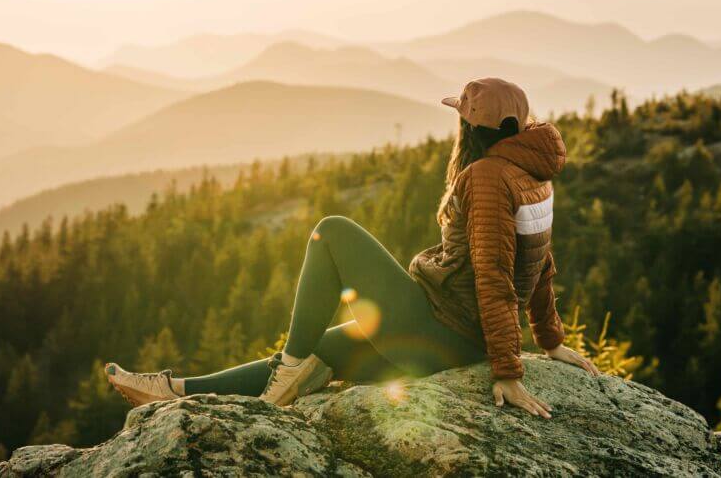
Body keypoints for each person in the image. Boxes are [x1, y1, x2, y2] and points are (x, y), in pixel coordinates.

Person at [105, 77, 599, 418]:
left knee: (333, 231)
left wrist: (510, 371)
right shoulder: (532, 174)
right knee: (323, 351)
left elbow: (495, 273)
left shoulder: (488, 177)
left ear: (473, 127)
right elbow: (540, 266)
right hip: (453, 329)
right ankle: (175, 394)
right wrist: (550, 340)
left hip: (445, 332)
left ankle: (287, 372)